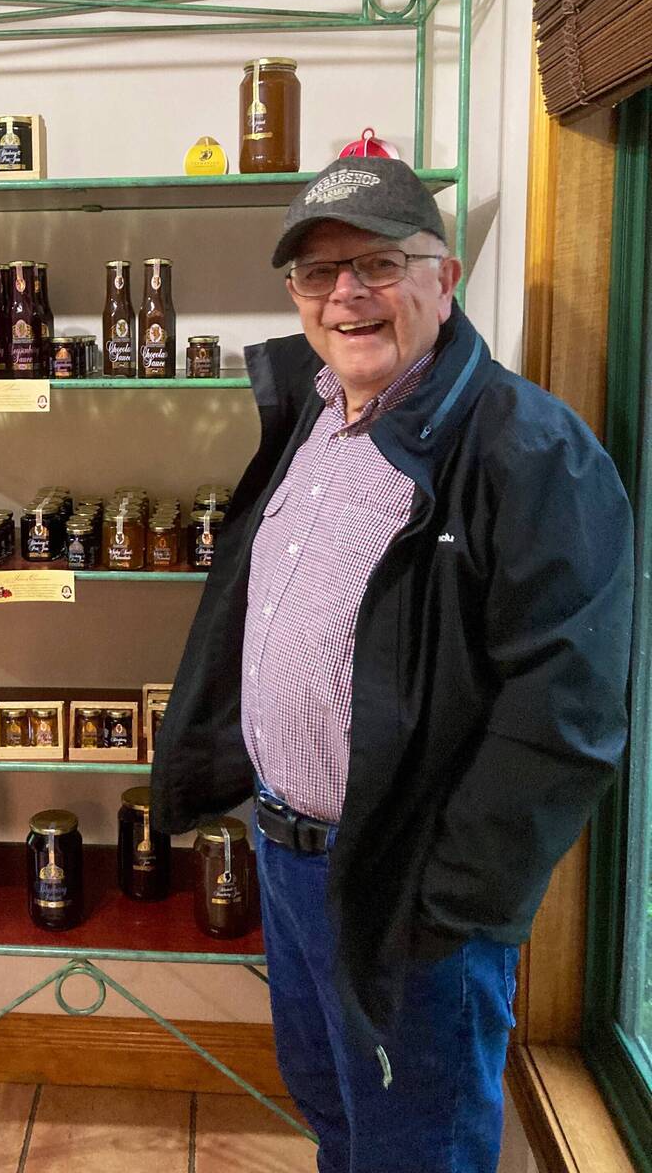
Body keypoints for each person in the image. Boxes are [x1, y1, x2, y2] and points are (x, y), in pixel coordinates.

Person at [151, 157, 632, 1173]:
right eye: (317, 273)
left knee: (417, 1150)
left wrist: (447, 899)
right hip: (288, 862)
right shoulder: (318, 416)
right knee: (338, 1117)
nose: (346, 295)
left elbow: (567, 716)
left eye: (378, 263)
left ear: (443, 277)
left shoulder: (530, 451)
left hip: (408, 887)